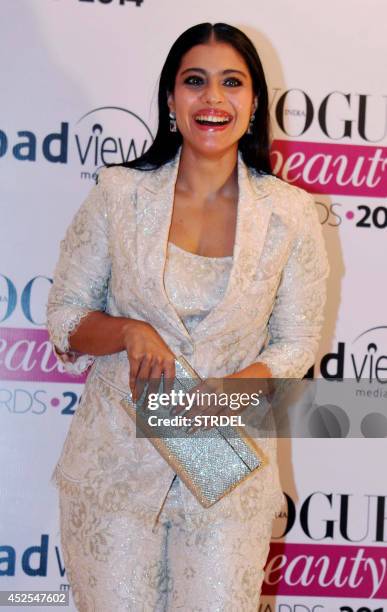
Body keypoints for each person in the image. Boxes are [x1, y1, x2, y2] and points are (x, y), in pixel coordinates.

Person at [46, 22, 329, 611]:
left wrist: (220, 399)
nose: (213, 99)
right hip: (115, 472)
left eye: (232, 82)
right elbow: (66, 316)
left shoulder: (292, 215)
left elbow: (297, 343)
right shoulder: (119, 194)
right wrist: (129, 331)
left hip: (225, 469)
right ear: (171, 99)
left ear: (254, 104)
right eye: (194, 81)